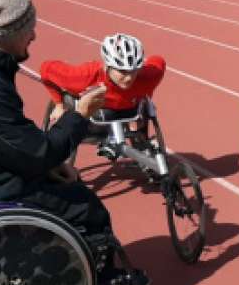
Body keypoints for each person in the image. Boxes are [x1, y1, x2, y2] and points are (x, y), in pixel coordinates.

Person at [0, 0, 146, 285]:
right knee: (88, 208)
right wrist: (79, 114)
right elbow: (39, 152)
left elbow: (8, 138)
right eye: (28, 28)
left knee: (61, 183)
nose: (34, 35)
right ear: (3, 35)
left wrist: (44, 168)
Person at [40, 33, 167, 179]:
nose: (129, 78)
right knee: (69, 98)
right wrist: (59, 104)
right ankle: (66, 164)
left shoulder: (149, 76)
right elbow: (45, 69)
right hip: (94, 117)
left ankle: (145, 154)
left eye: (134, 71)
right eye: (122, 71)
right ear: (107, 65)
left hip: (128, 112)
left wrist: (147, 93)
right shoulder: (84, 76)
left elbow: (159, 62)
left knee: (145, 104)